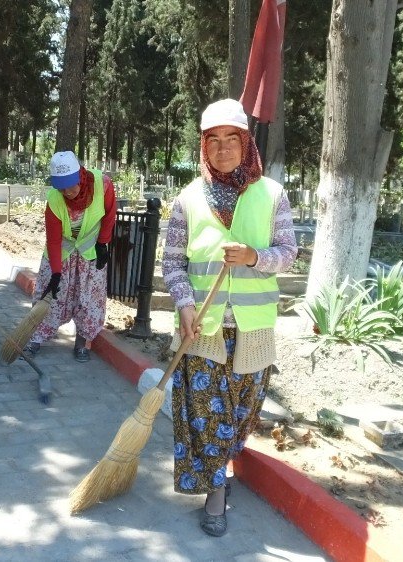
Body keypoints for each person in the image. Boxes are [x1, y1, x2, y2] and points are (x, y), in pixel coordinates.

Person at [161, 99, 297, 537]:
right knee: (207, 416)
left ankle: (220, 472)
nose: (222, 149)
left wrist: (255, 256)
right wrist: (184, 305)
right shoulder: (187, 198)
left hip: (254, 330)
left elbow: (288, 254)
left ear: (246, 143)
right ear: (203, 145)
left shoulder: (272, 193)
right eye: (213, 140)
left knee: (239, 416)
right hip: (203, 328)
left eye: (231, 139)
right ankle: (216, 494)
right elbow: (173, 262)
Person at [23, 151, 117, 362]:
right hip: (62, 251)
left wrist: (103, 243)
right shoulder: (55, 200)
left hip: (90, 248)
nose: (67, 191)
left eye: (70, 184)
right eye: (61, 186)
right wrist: (56, 273)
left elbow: (110, 214)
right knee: (49, 295)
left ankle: (82, 342)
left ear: (80, 175)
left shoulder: (102, 185)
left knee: (89, 298)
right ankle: (35, 338)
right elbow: (54, 240)